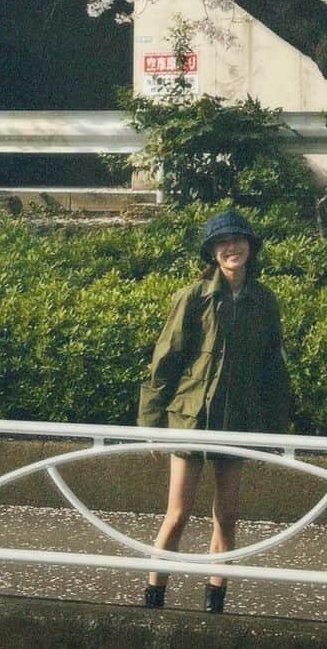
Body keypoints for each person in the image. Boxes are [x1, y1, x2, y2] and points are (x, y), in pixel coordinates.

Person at [138, 208, 292, 614]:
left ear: (249, 248)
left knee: (227, 515)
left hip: (238, 419)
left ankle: (215, 600)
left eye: (238, 241)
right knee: (178, 514)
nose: (232, 248)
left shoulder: (263, 301)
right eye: (223, 243)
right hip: (190, 417)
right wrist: (151, 424)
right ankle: (154, 596)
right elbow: (164, 361)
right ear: (212, 253)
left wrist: (278, 432)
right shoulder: (193, 297)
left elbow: (273, 368)